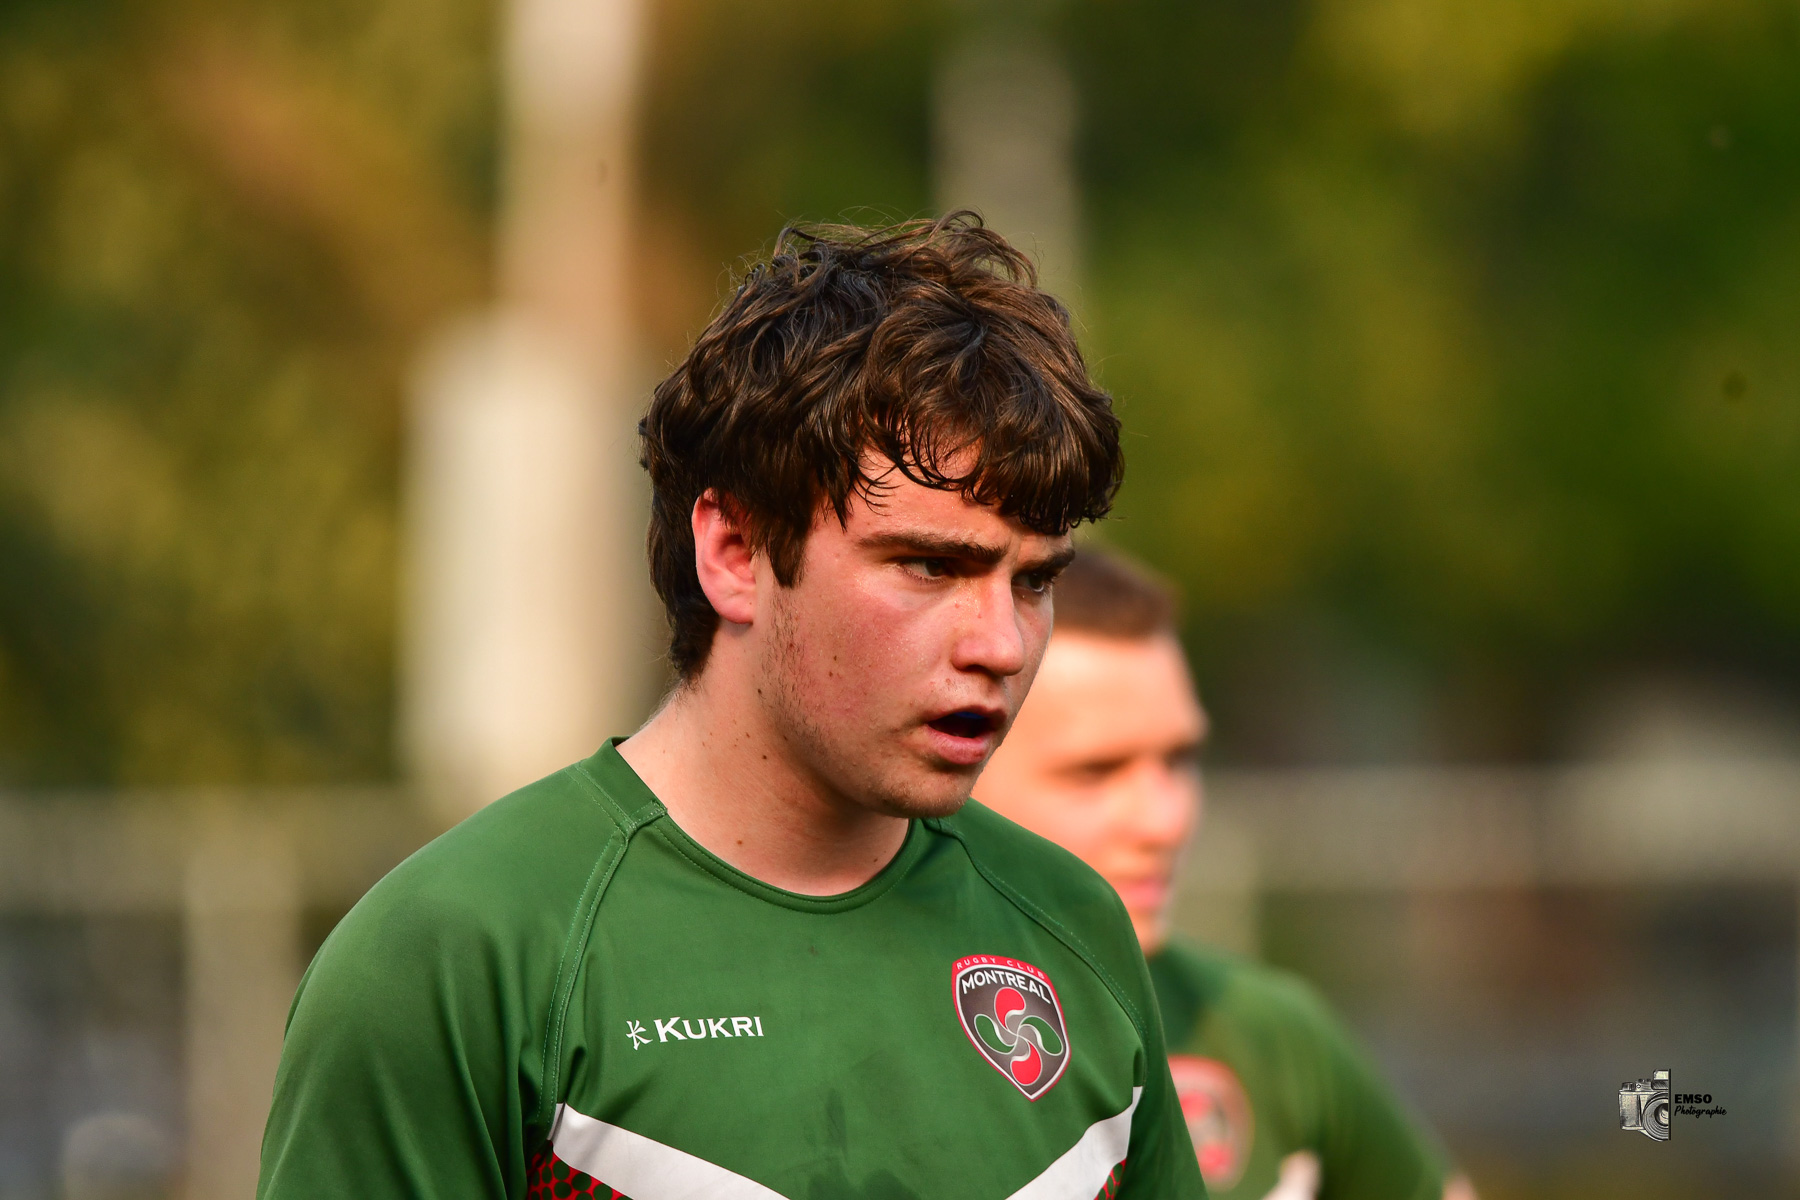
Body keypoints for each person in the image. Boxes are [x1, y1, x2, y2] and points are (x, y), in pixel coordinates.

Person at [257, 217, 1207, 1199]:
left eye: (1034, 582)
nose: (1001, 643)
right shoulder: (455, 958)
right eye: (930, 565)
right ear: (736, 552)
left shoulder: (1072, 930)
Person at [977, 548, 1474, 1200]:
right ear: (963, 773)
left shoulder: (1266, 1035)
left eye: (1179, 760)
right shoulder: (857, 1031)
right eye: (1095, 772)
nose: (1167, 820)